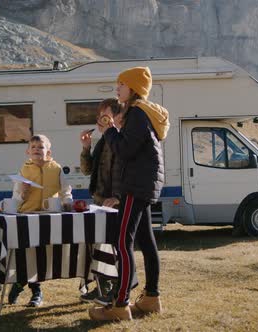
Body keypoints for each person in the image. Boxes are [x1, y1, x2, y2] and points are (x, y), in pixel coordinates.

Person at [88, 67, 170, 321]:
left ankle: (120, 304)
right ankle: (150, 299)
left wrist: (109, 131)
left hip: (135, 187)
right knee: (146, 242)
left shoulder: (136, 113)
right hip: (143, 186)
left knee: (123, 243)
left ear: (133, 88)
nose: (117, 88)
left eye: (121, 84)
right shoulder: (143, 114)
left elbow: (125, 151)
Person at [8, 134, 72, 307]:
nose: (37, 150)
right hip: (27, 216)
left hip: (48, 217)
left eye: (41, 147)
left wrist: (68, 203)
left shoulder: (56, 168)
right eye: (34, 147)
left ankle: (27, 287)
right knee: (25, 255)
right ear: (28, 151)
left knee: (42, 255)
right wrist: (24, 194)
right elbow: (16, 197)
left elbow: (65, 190)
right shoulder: (24, 170)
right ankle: (28, 288)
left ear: (48, 152)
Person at [78, 98, 122, 303]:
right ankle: (102, 287)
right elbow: (88, 171)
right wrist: (86, 148)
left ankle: (115, 289)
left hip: (113, 203)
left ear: (114, 117)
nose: (99, 119)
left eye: (104, 115)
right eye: (98, 116)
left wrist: (118, 197)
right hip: (98, 201)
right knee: (99, 248)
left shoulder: (119, 138)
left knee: (114, 248)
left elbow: (125, 172)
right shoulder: (104, 140)